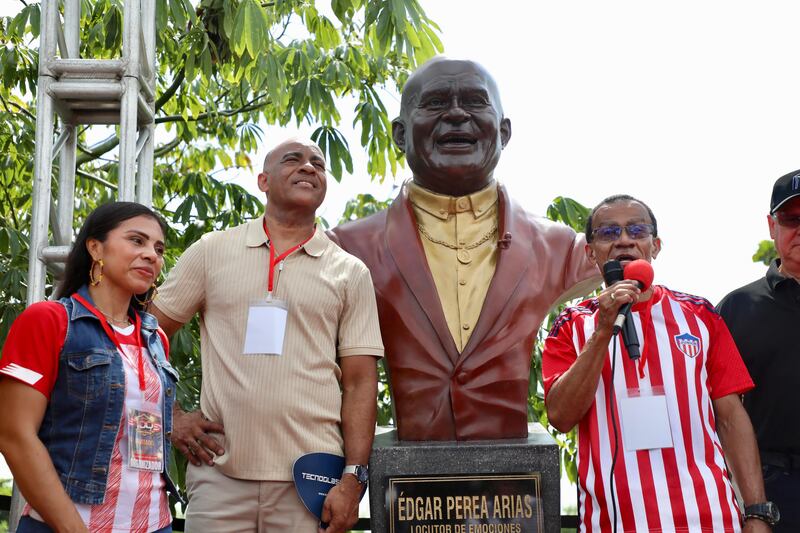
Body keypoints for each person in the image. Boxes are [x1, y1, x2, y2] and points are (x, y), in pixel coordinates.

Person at [330, 56, 600, 441]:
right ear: (400, 134)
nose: (456, 114)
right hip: (410, 473)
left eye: (475, 101)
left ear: (504, 132)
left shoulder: (564, 252)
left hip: (513, 478)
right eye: (436, 102)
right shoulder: (346, 250)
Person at [150, 138, 383, 532]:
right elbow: (143, 339)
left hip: (311, 483)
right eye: (293, 160)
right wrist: (170, 418)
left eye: (318, 164)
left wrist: (353, 479)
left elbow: (361, 383)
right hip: (218, 477)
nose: (309, 167)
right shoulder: (211, 251)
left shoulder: (350, 272)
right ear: (263, 180)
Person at [542, 195, 772, 532]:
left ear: (655, 245)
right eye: (608, 232)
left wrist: (756, 512)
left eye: (637, 230)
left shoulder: (700, 315)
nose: (624, 239)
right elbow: (560, 417)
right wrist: (604, 329)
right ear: (591, 252)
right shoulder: (572, 324)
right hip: (616, 521)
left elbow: (731, 418)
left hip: (709, 517)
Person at [0, 202, 178, 533]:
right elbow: (14, 435)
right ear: (95, 247)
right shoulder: (49, 320)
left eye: (158, 248)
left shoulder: (156, 338)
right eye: (137, 241)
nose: (152, 255)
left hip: (156, 524)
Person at [717, 169, 800, 533]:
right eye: (791, 219)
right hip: (771, 489)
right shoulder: (736, 309)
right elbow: (719, 416)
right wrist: (755, 507)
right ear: (771, 226)